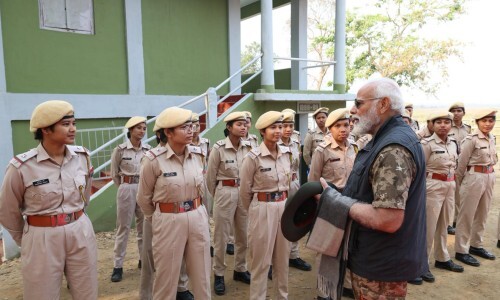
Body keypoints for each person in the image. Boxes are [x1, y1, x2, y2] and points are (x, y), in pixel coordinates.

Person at [316, 78, 427, 299]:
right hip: (376, 259)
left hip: (382, 268)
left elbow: (387, 218)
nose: (353, 110)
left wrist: (338, 202)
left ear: (383, 104)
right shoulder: (384, 140)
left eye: (359, 103)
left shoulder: (392, 148)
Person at [0, 100, 98, 299]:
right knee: (42, 294)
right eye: (65, 124)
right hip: (41, 236)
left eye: (74, 123)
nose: (73, 129)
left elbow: (85, 195)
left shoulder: (82, 157)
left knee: (86, 291)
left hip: (79, 229)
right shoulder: (22, 167)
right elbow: (7, 210)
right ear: (45, 129)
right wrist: (28, 238)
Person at [137, 107, 211, 299]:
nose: (191, 131)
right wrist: (159, 218)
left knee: (202, 275)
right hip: (168, 219)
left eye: (191, 126)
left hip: (197, 215)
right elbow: (144, 198)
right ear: (168, 133)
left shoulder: (198, 154)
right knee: (166, 278)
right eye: (184, 127)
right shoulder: (153, 160)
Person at [240, 111, 292, 300]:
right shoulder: (253, 157)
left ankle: (281, 296)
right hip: (262, 207)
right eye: (273, 128)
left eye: (280, 127)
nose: (278, 131)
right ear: (262, 131)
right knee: (261, 261)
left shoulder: (287, 153)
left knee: (282, 259)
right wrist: (256, 211)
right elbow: (245, 192)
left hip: (283, 206)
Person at [308, 108, 357, 299]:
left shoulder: (354, 147)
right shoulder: (322, 150)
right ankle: (324, 291)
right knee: (327, 248)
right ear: (330, 128)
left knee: (347, 245)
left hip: (350, 202)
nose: (343, 129)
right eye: (338, 126)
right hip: (329, 202)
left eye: (346, 125)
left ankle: (345, 285)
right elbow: (313, 182)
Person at [206, 111, 253, 295]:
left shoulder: (248, 147)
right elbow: (210, 178)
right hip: (225, 192)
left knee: (243, 235)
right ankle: (218, 274)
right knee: (221, 236)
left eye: (245, 124)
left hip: (243, 192)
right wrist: (219, 195)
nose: (243, 127)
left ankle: (240, 269)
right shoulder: (218, 149)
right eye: (239, 124)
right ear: (229, 127)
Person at [419, 112, 464, 284]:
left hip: (450, 185)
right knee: (429, 226)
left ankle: (442, 257)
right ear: (432, 124)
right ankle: (422, 263)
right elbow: (419, 169)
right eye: (439, 122)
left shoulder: (453, 143)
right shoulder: (427, 144)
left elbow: (456, 164)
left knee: (444, 223)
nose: (443, 125)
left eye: (447, 122)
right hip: (432, 185)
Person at [454, 109, 497, 267]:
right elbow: (461, 166)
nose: (487, 124)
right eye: (484, 121)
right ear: (478, 122)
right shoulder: (471, 139)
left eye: (491, 121)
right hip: (474, 177)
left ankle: (476, 245)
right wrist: (460, 185)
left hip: (489, 176)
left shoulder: (492, 138)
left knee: (483, 213)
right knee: (467, 214)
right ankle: (461, 250)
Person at [110, 116, 149, 282]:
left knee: (144, 227)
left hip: (143, 188)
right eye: (138, 127)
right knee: (123, 227)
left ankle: (143, 260)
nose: (142, 130)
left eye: (144, 127)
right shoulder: (120, 150)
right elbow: (114, 174)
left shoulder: (148, 150)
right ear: (131, 130)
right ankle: (118, 266)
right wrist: (124, 187)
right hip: (126, 187)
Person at [279, 109, 312, 272]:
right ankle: (273, 261)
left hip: (293, 183)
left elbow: (297, 164)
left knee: (295, 218)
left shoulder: (296, 140)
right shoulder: (273, 142)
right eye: (285, 125)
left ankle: (294, 255)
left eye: (291, 125)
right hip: (278, 187)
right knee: (277, 222)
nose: (288, 129)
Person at [447, 102, 471, 235]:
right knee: (448, 196)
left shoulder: (467, 129)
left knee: (460, 195)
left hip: (464, 166)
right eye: (453, 111)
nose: (456, 113)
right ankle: (447, 223)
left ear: (463, 113)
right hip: (450, 166)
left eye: (459, 110)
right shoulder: (446, 127)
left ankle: (457, 221)